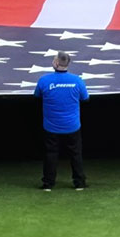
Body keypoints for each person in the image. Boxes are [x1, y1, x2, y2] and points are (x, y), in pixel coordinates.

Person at [34, 52, 90, 191]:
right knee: (75, 154)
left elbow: (37, 96)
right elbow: (85, 98)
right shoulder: (77, 80)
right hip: (72, 125)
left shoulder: (44, 80)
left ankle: (48, 183)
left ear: (56, 63)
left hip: (51, 126)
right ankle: (79, 183)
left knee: (50, 154)